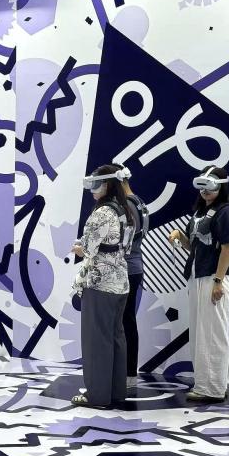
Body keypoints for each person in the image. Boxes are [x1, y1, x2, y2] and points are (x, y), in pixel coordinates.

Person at [168, 166, 229, 402]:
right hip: (198, 276)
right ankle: (204, 384)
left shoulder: (226, 212)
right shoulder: (200, 212)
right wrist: (180, 236)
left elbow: (228, 247)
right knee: (200, 334)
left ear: (221, 186)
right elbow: (195, 247)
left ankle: (214, 388)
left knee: (214, 333)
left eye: (211, 186)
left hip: (214, 277)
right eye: (202, 186)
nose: (206, 191)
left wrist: (218, 280)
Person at [71, 164, 135, 408]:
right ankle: (116, 391)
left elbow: (88, 249)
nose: (92, 188)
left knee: (96, 340)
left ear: (107, 184)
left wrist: (78, 248)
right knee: (116, 337)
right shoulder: (125, 210)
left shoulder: (101, 213)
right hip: (120, 281)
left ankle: (97, 395)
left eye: (96, 183)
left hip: (100, 283)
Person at [112, 163, 149, 388]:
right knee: (127, 320)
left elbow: (120, 242)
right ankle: (128, 372)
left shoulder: (126, 205)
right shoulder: (139, 202)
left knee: (124, 322)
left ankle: (127, 373)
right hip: (134, 266)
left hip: (126, 268)